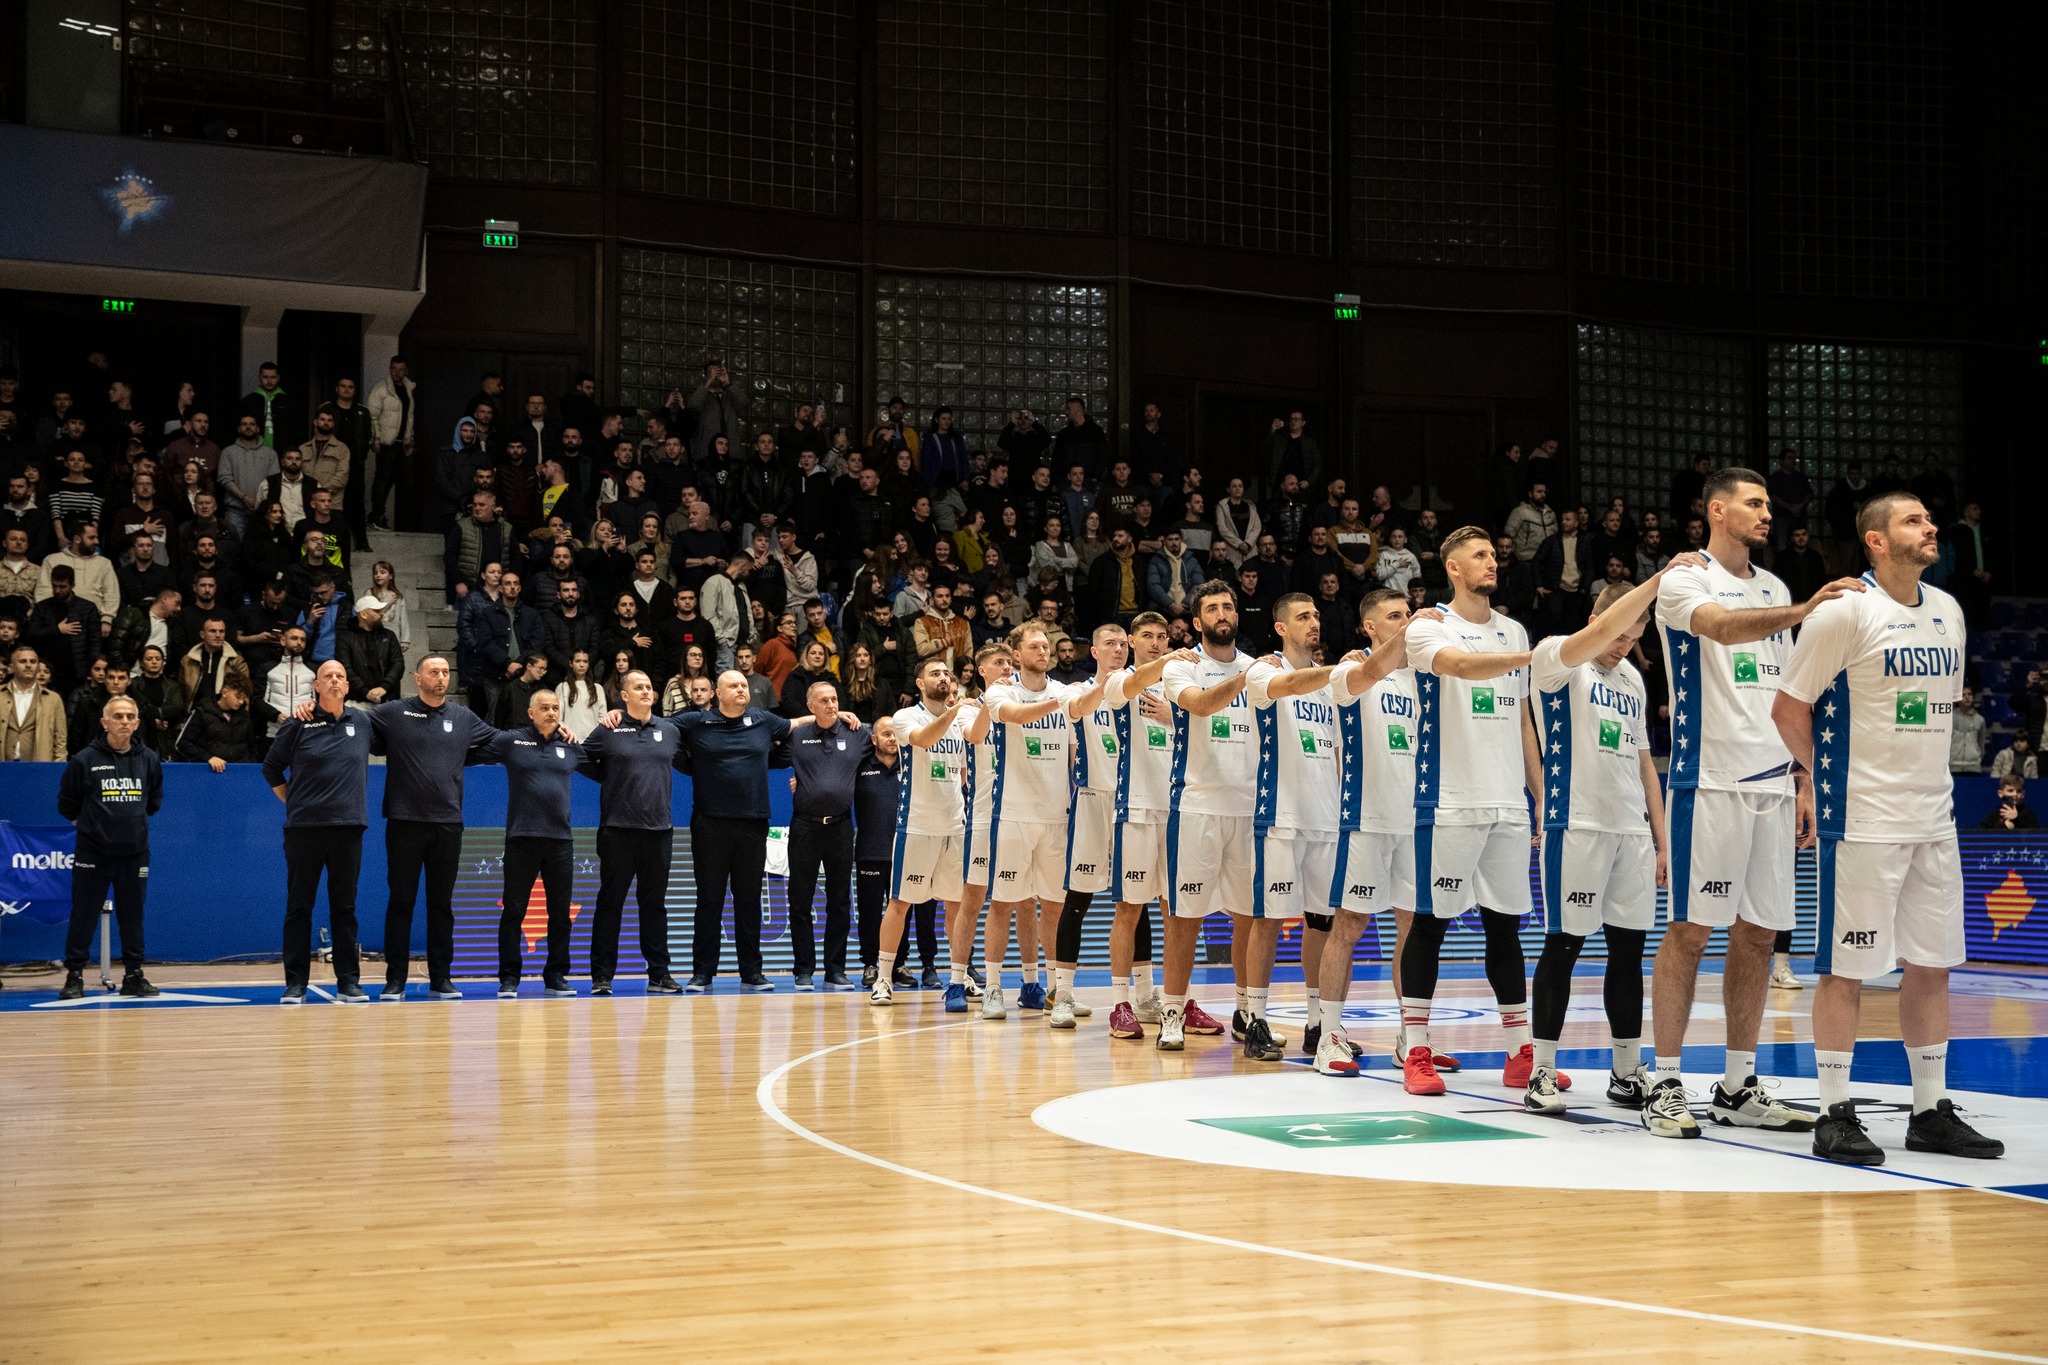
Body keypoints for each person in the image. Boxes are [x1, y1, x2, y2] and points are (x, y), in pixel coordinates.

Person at [1773, 491, 2003, 1164]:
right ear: (1876, 540)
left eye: (1930, 520)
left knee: (1932, 965)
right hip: (1864, 819)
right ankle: (1833, 1112)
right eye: (1914, 520)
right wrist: (1827, 777)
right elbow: (1789, 708)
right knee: (1845, 968)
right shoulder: (1846, 611)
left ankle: (1930, 1109)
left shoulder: (1949, 612)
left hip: (1934, 816)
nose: (1932, 527)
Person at [1646, 467, 1863, 1140]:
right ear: (1717, 510)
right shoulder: (1684, 579)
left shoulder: (1774, 585)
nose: (1770, 513)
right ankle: (1666, 1082)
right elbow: (1721, 627)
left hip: (1773, 782)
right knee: (1690, 931)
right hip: (1708, 779)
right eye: (1755, 503)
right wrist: (1804, 611)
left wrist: (1803, 776)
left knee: (1761, 934)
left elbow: (1793, 688)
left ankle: (1738, 1085)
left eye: (1770, 503)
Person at [1522, 567, 1695, 1115]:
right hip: (1576, 827)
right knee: (1564, 946)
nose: (1625, 648)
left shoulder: (1633, 681)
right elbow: (1584, 646)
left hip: (1631, 834)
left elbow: (1646, 766)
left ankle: (1626, 1072)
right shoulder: (1558, 658)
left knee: (1629, 953)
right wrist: (1655, 582)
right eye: (1619, 634)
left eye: (1635, 638)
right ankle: (1542, 1072)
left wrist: (1661, 840)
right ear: (1597, 619)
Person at [1397, 527, 1546, 1096]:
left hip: (1508, 802)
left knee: (1504, 929)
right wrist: (1531, 656)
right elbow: (1459, 667)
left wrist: (1538, 795)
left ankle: (1519, 1054)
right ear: (1453, 568)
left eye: (1493, 553)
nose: (1493, 561)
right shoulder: (1428, 625)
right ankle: (1417, 1051)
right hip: (1449, 800)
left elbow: (1524, 721)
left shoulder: (1513, 629)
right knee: (1430, 925)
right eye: (1480, 556)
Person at [1242, 593, 1352, 1063]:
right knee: (1268, 919)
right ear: (1281, 626)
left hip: (1326, 817)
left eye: (1317, 615)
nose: (1314, 622)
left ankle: (1318, 1022)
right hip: (1281, 816)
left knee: (1321, 921)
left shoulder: (1331, 688)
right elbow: (1288, 686)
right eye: (1303, 616)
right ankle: (1256, 1020)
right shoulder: (1264, 671)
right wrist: (1339, 670)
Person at [1156, 581, 1259, 1051]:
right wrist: (1244, 681)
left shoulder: (1257, 666)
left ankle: (1245, 1012)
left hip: (1250, 807)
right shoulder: (1182, 665)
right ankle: (1172, 1012)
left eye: (1228, 606)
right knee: (1185, 918)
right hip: (1196, 805)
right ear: (1197, 622)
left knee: (1248, 917)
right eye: (1213, 608)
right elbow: (1198, 704)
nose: (1223, 613)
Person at [967, 622, 1076, 1020]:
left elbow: (1072, 746)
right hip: (1012, 813)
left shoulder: (1064, 691)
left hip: (1056, 815)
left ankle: (1057, 992)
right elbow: (1012, 715)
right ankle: (993, 988)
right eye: (1034, 646)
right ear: (1017, 655)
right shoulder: (1001, 691)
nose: (1043, 652)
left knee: (1055, 907)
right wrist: (1055, 706)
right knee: (1002, 904)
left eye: (1047, 646)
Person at [675, 670, 795, 991]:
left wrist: (837, 714)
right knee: (709, 899)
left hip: (753, 823)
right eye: (734, 685)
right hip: (709, 824)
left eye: (744, 685)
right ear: (716, 693)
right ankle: (703, 972)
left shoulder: (762, 719)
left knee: (749, 900)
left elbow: (795, 730)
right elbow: (660, 731)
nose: (742, 689)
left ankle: (752, 971)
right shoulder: (697, 721)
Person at [263, 660, 374, 1003]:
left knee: (345, 908)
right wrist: (293, 802)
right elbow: (271, 769)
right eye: (328, 676)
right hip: (304, 830)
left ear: (347, 686)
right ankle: (295, 983)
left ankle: (349, 983)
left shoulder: (364, 721)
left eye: (341, 676)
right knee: (300, 907)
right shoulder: (300, 721)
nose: (336, 680)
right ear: (316, 687)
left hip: (348, 829)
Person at [576, 670, 687, 993]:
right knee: (611, 902)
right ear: (623, 696)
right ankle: (602, 976)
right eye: (638, 687)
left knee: (654, 905)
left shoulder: (669, 730)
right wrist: (609, 777)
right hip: (618, 830)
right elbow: (582, 756)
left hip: (659, 831)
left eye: (649, 687)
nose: (646, 691)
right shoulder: (609, 728)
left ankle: (659, 973)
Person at [874, 656, 971, 1006]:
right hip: (916, 824)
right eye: (935, 673)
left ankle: (959, 978)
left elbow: (962, 771)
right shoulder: (905, 717)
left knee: (956, 906)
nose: (943, 677)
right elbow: (925, 739)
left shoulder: (959, 722)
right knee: (899, 903)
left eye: (946, 673)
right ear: (920, 683)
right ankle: (883, 978)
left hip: (953, 825)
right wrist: (953, 712)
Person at [54, 696, 163, 1000]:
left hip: (134, 853)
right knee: (84, 915)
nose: (124, 721)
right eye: (118, 716)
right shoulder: (84, 760)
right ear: (105, 722)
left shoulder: (149, 759)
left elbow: (152, 802)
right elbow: (67, 803)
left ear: (137, 723)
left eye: (130, 716)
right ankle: (74, 976)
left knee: (132, 915)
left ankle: (134, 975)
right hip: (93, 853)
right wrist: (92, 827)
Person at [482, 688, 585, 998]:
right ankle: (509, 978)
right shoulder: (512, 741)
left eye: (555, 707)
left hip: (560, 842)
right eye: (544, 707)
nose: (551, 712)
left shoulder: (570, 745)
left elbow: (605, 765)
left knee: (560, 913)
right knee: (514, 910)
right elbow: (472, 750)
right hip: (521, 840)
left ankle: (555, 975)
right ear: (531, 712)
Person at [783, 677, 871, 991]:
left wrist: (849, 716)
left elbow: (888, 738)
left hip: (840, 827)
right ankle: (803, 970)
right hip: (805, 826)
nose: (831, 705)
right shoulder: (797, 736)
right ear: (810, 706)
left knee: (840, 900)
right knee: (800, 899)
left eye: (834, 699)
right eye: (824, 700)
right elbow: (769, 742)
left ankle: (835, 969)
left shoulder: (856, 733)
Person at [1950, 686, 1987, 774]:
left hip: (1973, 766)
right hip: (1952, 766)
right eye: (1963, 695)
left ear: (1973, 698)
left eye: (1969, 694)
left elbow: (1981, 742)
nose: (1967, 697)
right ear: (1958, 698)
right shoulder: (1949, 718)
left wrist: (1976, 758)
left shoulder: (1980, 719)